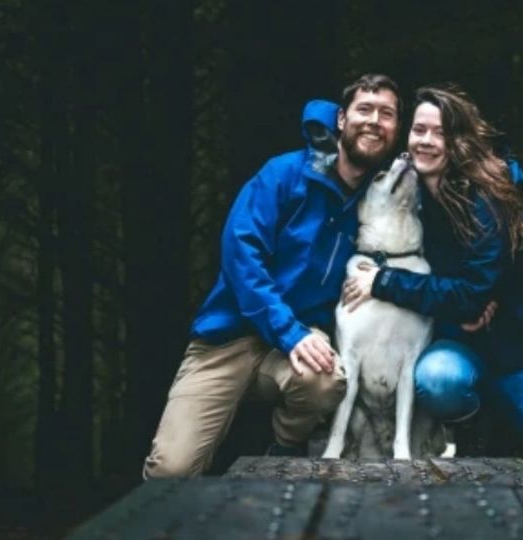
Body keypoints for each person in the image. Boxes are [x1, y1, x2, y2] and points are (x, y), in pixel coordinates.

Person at [143, 74, 402, 478]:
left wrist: (482, 293)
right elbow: (240, 251)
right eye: (364, 109)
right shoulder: (284, 173)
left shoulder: (382, 198)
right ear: (340, 119)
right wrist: (288, 330)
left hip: (294, 347)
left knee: (326, 381)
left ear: (395, 129)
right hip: (227, 340)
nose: (374, 121)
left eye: (387, 114)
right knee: (169, 473)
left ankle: (279, 452)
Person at [342, 85, 523, 486]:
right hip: (461, 346)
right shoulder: (414, 197)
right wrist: (459, 305)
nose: (425, 141)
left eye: (438, 132)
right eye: (418, 130)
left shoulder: (489, 198)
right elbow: (461, 298)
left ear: (460, 141)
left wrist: (385, 281)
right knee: (438, 380)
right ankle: (475, 427)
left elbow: (470, 295)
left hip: (522, 352)